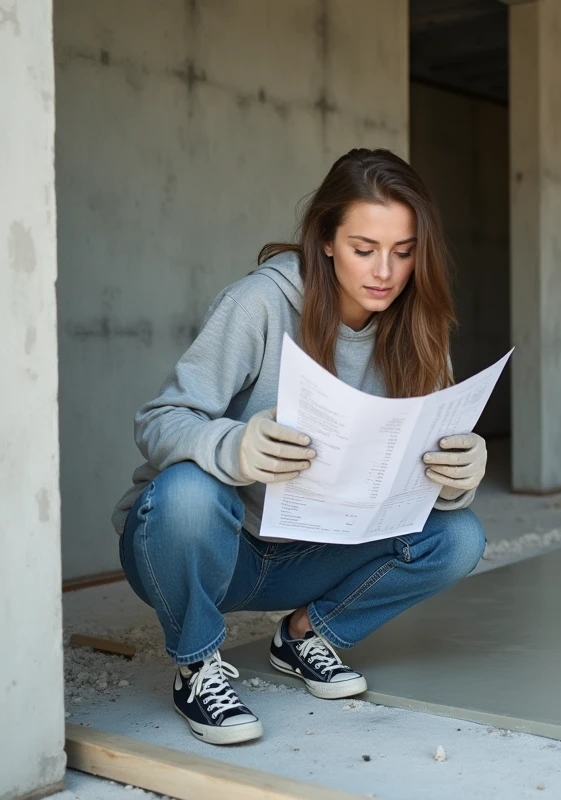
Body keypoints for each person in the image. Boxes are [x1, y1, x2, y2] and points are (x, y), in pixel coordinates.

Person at [112, 148, 489, 745]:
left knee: (461, 535)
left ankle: (307, 635)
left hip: (315, 551)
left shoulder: (422, 329)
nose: (385, 272)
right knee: (187, 492)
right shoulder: (259, 303)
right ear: (327, 241)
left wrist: (460, 474)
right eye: (365, 249)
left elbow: (424, 488)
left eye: (404, 251)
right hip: (214, 549)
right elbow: (160, 420)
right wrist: (233, 446)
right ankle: (197, 665)